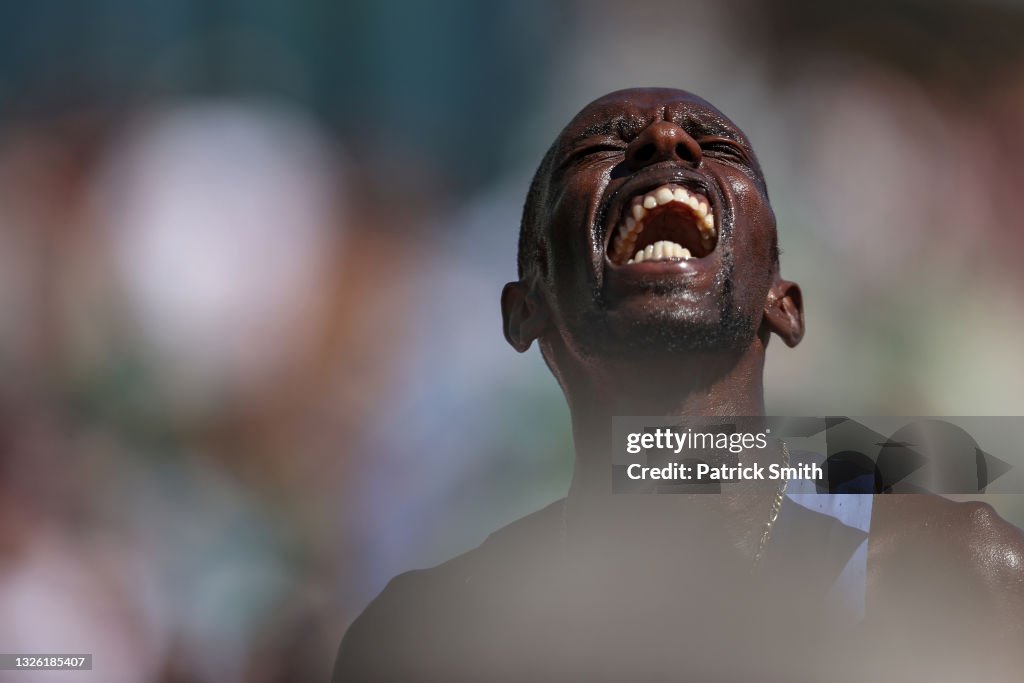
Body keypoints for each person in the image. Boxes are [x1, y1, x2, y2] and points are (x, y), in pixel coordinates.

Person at [333, 88, 1024, 682]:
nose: (667, 142)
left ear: (785, 304)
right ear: (525, 310)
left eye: (716, 146)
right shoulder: (427, 638)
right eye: (597, 150)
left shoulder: (960, 575)